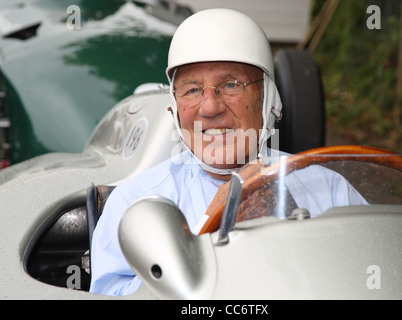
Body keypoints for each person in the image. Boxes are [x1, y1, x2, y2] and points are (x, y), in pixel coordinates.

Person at [89, 8, 367, 296]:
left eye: (231, 85)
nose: (210, 108)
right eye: (193, 90)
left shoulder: (331, 191)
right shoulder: (132, 206)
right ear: (175, 109)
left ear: (268, 100)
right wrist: (203, 236)